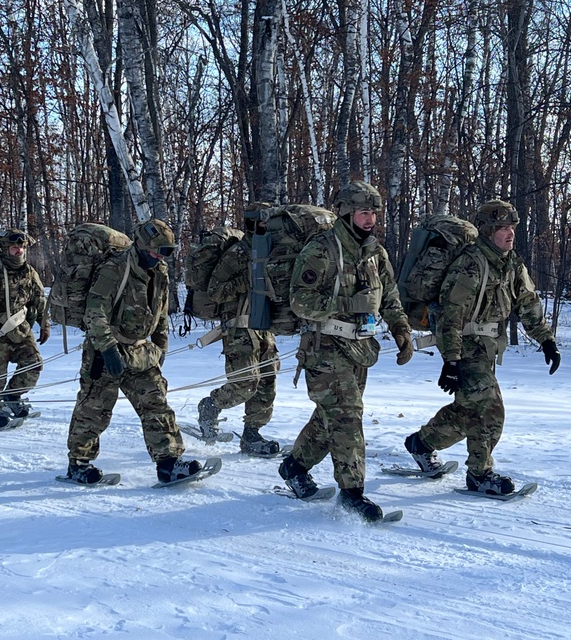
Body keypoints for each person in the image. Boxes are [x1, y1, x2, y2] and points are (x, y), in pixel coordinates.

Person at [403, 199, 560, 495]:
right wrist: (451, 361)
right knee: (491, 408)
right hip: (464, 345)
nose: (510, 233)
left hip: (487, 346)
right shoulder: (470, 263)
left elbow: (527, 302)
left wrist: (546, 340)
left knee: (468, 412)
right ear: (488, 230)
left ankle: (421, 443)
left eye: (512, 227)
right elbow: (451, 314)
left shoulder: (511, 262)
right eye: (503, 228)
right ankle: (480, 473)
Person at [278, 181, 414, 522]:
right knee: (346, 416)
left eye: (373, 213)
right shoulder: (322, 250)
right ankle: (352, 492)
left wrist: (401, 331)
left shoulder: (375, 253)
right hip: (325, 349)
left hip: (360, 348)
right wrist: (346, 302)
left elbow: (390, 296)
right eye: (363, 212)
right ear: (345, 212)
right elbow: (300, 301)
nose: (370, 220)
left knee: (330, 420)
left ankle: (294, 467)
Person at [65, 219, 203, 485]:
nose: (159, 257)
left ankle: (168, 462)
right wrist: (107, 349)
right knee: (95, 408)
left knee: (156, 405)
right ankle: (79, 464)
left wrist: (161, 345)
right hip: (105, 350)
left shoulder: (159, 271)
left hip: (141, 351)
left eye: (165, 251)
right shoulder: (114, 269)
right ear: (140, 245)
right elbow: (95, 311)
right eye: (155, 251)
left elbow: (161, 311)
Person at [196, 204, 282, 455]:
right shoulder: (237, 253)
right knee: (245, 383)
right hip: (238, 328)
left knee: (267, 381)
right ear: (253, 224)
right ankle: (210, 406)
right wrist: (247, 279)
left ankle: (252, 434)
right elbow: (215, 291)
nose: (269, 227)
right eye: (264, 222)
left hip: (263, 327)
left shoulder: (271, 252)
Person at [0, 228, 50, 429]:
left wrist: (44, 323)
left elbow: (39, 299)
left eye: (22, 247)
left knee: (34, 364)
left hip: (21, 328)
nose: (19, 251)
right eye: (15, 247)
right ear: (6, 248)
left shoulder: (29, 272)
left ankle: (12, 396)